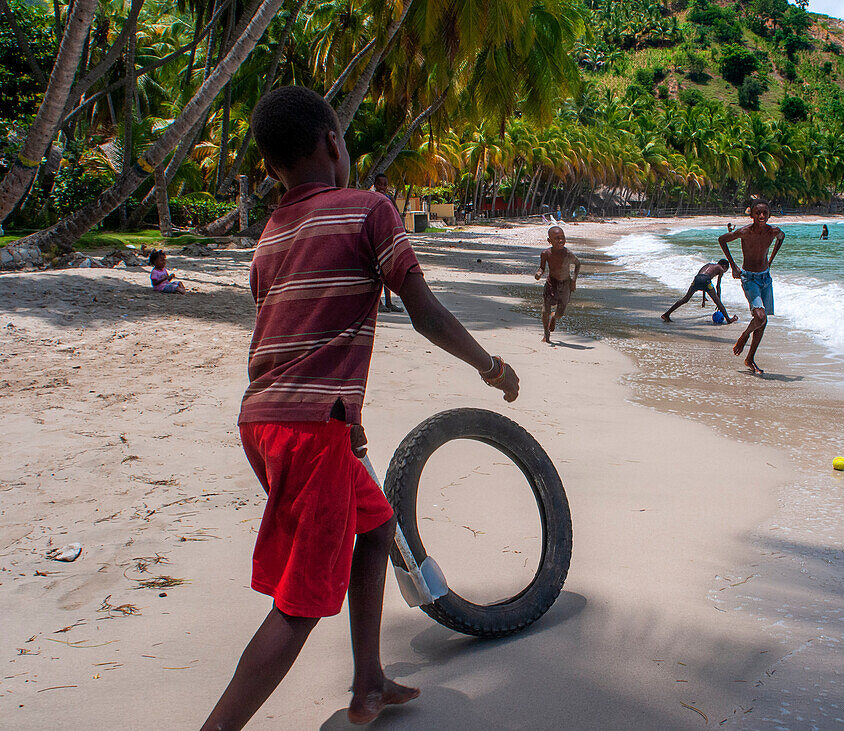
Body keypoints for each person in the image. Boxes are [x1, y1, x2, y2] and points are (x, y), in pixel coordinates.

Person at [201, 86, 519, 731]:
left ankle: (369, 682)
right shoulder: (369, 209)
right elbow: (424, 311)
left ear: (271, 166)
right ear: (332, 144)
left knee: (375, 530)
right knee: (300, 603)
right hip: (307, 431)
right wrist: (489, 365)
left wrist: (345, 414)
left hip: (267, 419)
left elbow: (293, 334)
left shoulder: (270, 236)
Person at [718, 200, 785, 375]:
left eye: (765, 213)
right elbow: (722, 240)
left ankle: (750, 359)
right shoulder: (744, 232)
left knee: (762, 322)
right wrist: (733, 266)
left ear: (769, 214)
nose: (761, 216)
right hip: (749, 278)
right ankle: (744, 335)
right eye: (758, 213)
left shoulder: (773, 231)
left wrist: (770, 260)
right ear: (751, 215)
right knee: (760, 316)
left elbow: (781, 238)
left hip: (765, 278)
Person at [534, 226, 580, 344]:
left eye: (562, 238)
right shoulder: (546, 253)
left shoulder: (568, 254)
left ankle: (554, 318)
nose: (560, 241)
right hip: (551, 283)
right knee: (545, 310)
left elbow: (578, 264)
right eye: (556, 238)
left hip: (565, 285)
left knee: (560, 313)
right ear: (549, 241)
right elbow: (542, 267)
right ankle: (546, 334)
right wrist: (539, 273)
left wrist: (573, 281)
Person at [661, 260, 736, 324]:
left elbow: (702, 278)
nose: (724, 271)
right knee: (718, 302)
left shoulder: (708, 265)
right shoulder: (720, 268)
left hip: (697, 279)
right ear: (724, 266)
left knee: (685, 299)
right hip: (706, 280)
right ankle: (729, 320)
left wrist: (703, 298)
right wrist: (718, 300)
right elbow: (717, 286)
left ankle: (666, 314)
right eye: (726, 269)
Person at [371, 173, 403, 313]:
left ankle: (389, 302)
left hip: (388, 239)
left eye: (385, 184)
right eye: (380, 184)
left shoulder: (389, 199)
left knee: (387, 271)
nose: (382, 187)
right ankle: (378, 303)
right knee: (377, 273)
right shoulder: (371, 198)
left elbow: (396, 214)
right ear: (375, 185)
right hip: (375, 239)